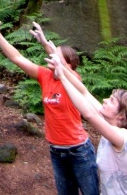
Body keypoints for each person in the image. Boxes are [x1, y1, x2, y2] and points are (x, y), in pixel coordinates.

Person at [0, 17, 100, 195]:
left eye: (56, 55)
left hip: (79, 151)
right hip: (56, 151)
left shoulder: (74, 80)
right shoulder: (45, 76)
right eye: (51, 54)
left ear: (69, 64)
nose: (51, 57)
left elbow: (69, 76)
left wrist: (47, 45)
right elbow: (17, 58)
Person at [49, 53, 127, 195]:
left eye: (111, 101)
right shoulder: (108, 124)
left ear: (121, 116)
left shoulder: (121, 137)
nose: (104, 100)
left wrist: (61, 78)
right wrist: (61, 66)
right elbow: (83, 92)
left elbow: (89, 114)